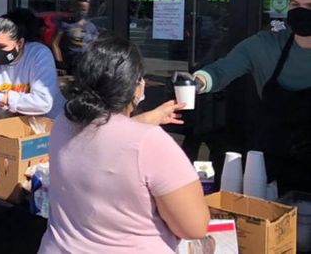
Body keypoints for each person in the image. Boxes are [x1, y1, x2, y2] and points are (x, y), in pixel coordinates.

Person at [38, 36, 209, 253]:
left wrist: (148, 119)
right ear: (136, 86)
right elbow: (194, 227)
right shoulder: (151, 143)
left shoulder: (64, 123)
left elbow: (107, 135)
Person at [187, 0, 311, 194]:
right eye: (295, 4)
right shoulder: (265, 46)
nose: (301, 12)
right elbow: (220, 71)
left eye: (309, 6)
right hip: (270, 171)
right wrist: (197, 82)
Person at [0, 8, 65, 119]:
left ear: (19, 43)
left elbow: (44, 102)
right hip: (9, 125)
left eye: (2, 47)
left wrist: (2, 98)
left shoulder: (38, 55)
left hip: (48, 124)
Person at [51, 0, 99, 75]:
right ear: (74, 8)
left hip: (85, 67)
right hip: (68, 66)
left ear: (88, 10)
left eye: (84, 10)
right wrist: (60, 64)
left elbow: (95, 46)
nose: (81, 12)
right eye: (79, 9)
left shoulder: (91, 27)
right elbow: (54, 43)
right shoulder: (64, 24)